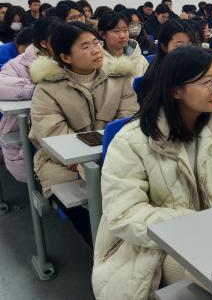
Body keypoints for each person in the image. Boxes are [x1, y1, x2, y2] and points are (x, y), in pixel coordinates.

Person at [91, 47, 212, 299]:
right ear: (175, 90)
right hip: (155, 247)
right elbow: (124, 212)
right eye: (207, 82)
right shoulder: (132, 140)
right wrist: (193, 225)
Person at [29, 22, 139, 199]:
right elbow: (53, 135)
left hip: (116, 155)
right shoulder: (47, 89)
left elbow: (129, 120)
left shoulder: (118, 77)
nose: (96, 50)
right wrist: (85, 164)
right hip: (65, 165)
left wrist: (111, 156)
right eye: (85, 47)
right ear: (66, 57)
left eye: (96, 43)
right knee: (87, 202)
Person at [0, 17, 60, 182]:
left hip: (57, 132)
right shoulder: (18, 64)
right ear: (44, 43)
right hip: (26, 137)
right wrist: (38, 90)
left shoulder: (71, 58)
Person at [137, 19, 195, 104]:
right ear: (164, 47)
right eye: (179, 47)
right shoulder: (157, 76)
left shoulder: (193, 66)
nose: (187, 51)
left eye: (190, 45)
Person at [98, 12, 149, 80]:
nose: (122, 36)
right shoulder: (97, 63)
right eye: (116, 31)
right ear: (103, 34)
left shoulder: (140, 60)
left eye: (125, 30)